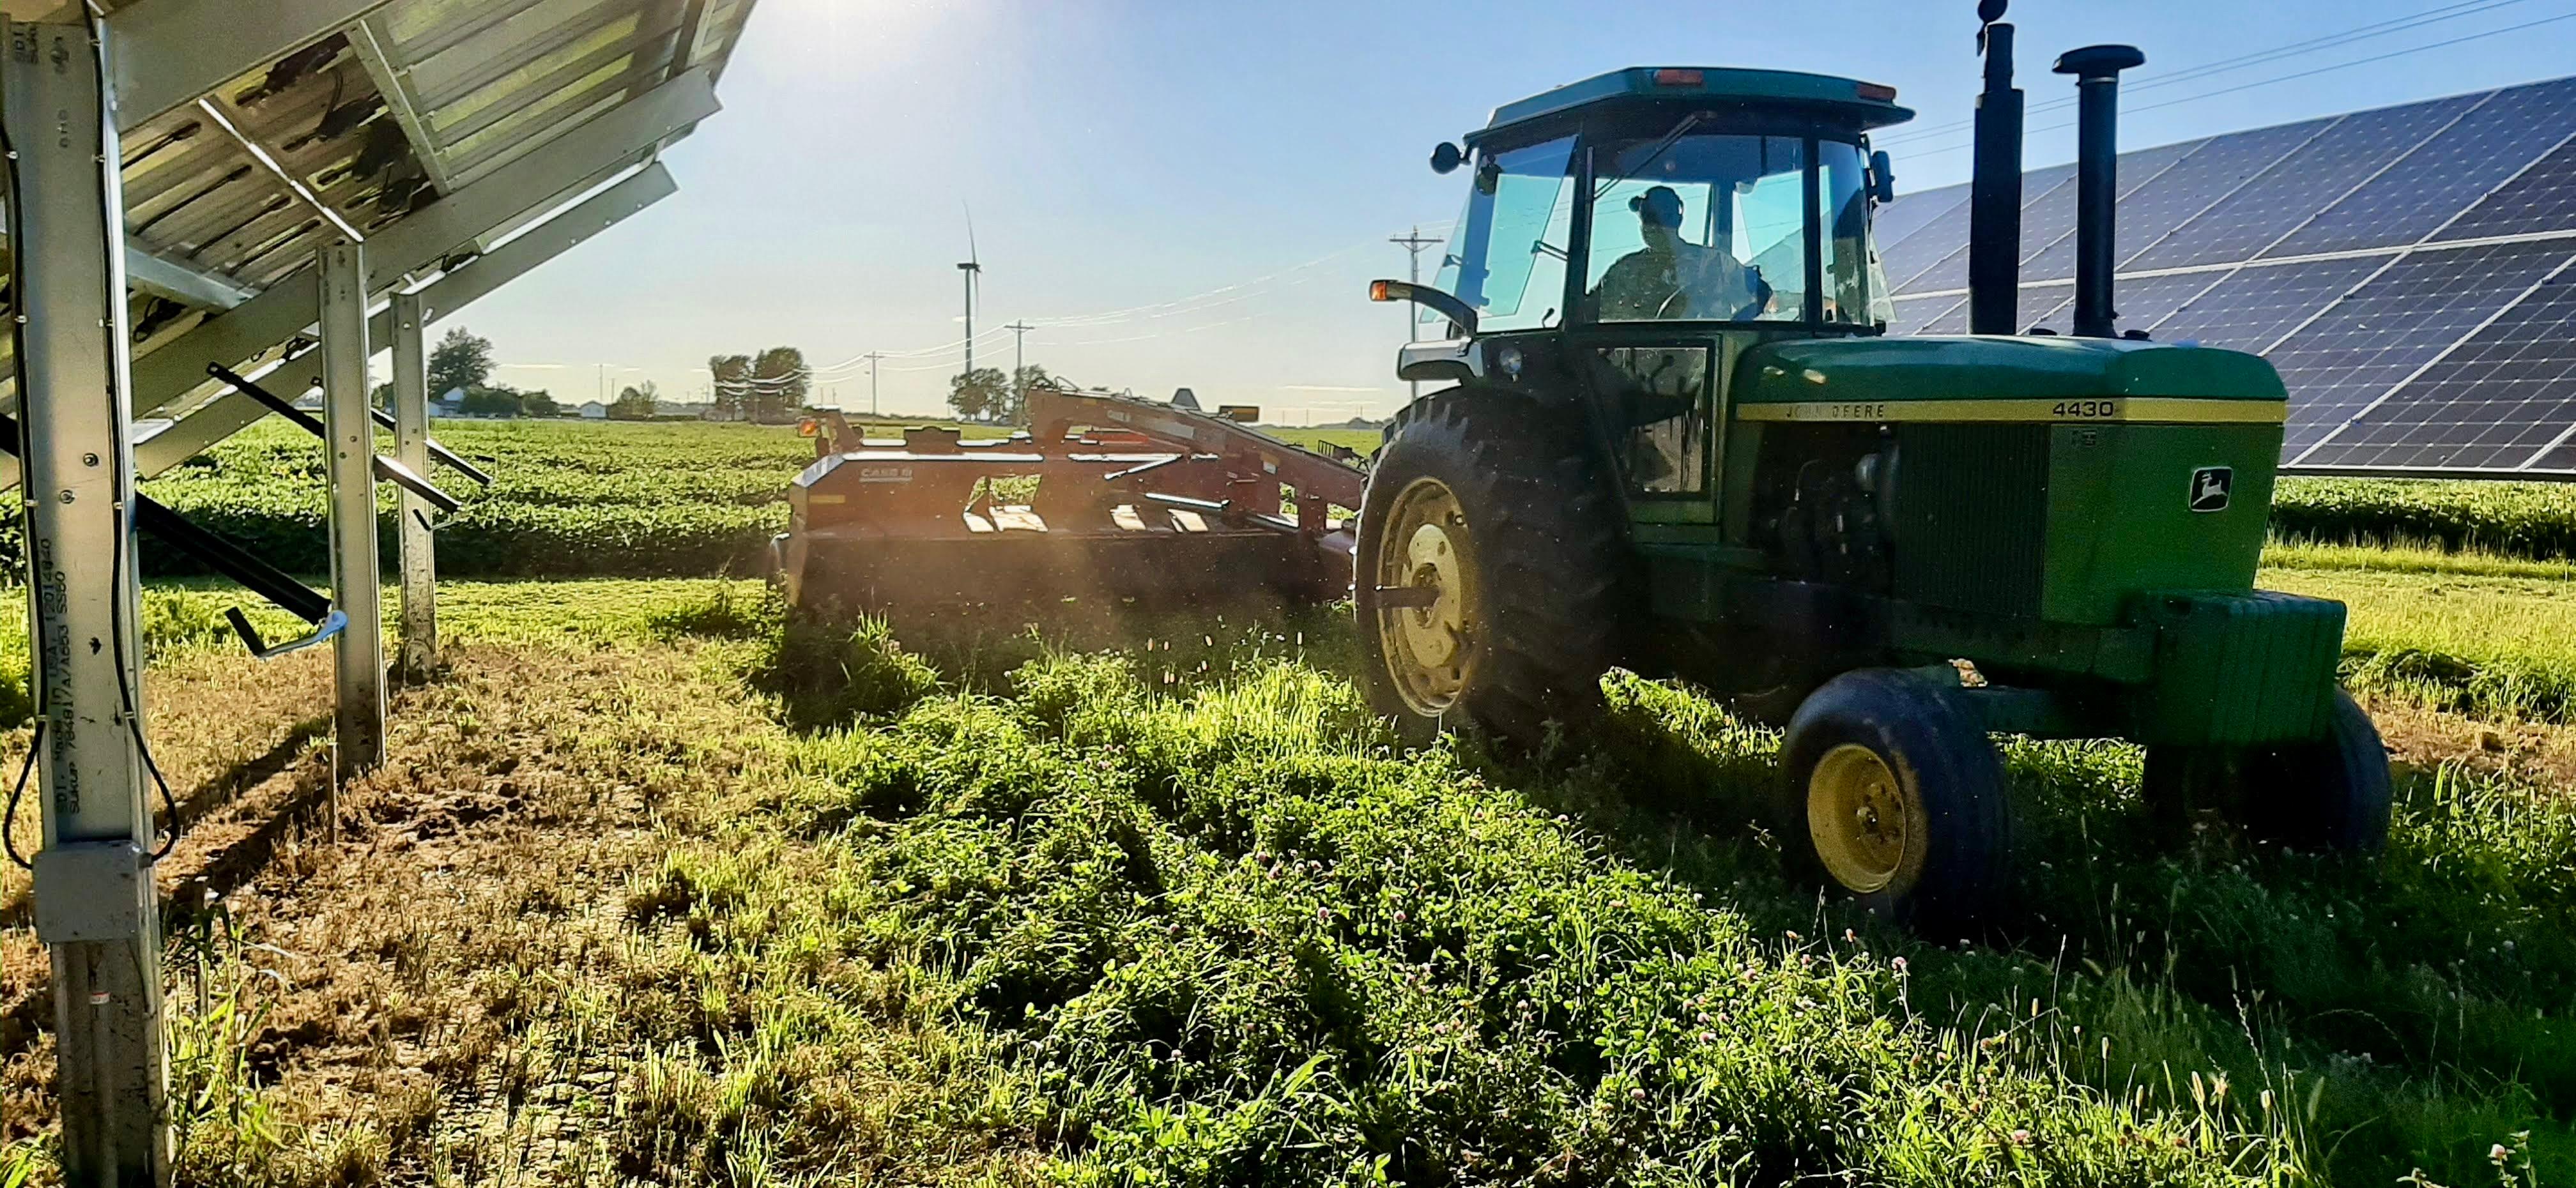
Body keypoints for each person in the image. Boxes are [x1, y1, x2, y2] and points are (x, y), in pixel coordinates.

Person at [1590, 185, 1770, 321]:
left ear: (1678, 219)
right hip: (1637, 362)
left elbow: (1760, 295)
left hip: (1710, 361)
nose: (1654, 226)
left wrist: (1735, 327)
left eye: (1662, 217)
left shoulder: (1716, 262)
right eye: (1648, 218)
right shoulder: (1626, 269)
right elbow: (1588, 310)